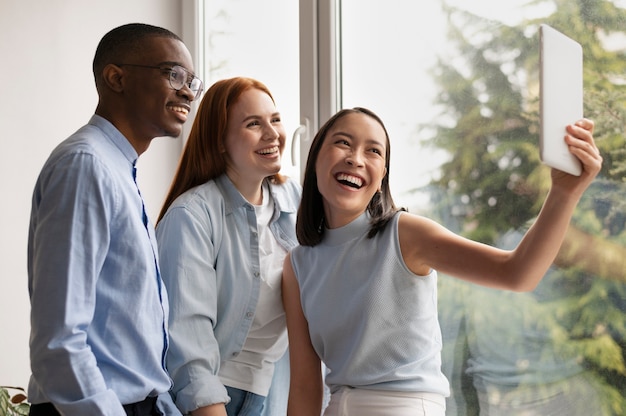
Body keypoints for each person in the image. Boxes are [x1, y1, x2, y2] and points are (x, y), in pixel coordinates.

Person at [281, 107, 602, 416]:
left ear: (381, 178)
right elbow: (305, 387)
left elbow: (517, 273)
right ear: (315, 159)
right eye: (343, 143)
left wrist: (564, 192)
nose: (356, 158)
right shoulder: (297, 265)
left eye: (374, 151)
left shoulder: (404, 233)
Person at [27, 23, 202, 416]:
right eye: (174, 74)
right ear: (116, 77)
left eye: (193, 81)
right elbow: (60, 340)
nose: (188, 91)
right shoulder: (86, 165)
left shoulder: (118, 169)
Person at [155, 77, 301, 416]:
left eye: (275, 120)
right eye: (253, 124)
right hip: (214, 400)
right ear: (219, 140)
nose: (272, 133)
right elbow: (187, 345)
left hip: (276, 393)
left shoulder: (295, 199)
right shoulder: (191, 216)